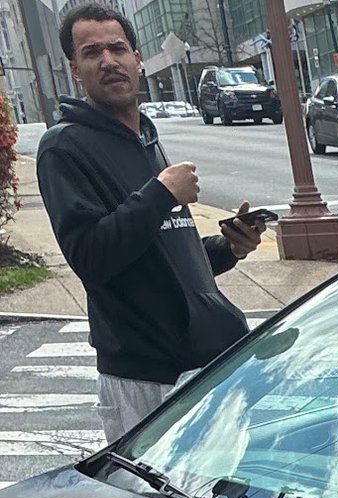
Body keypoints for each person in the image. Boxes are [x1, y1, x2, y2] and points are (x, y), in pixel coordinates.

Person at [36, 4, 265, 443]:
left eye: (117, 48)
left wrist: (229, 246)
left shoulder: (146, 137)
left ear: (137, 59)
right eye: (91, 52)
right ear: (75, 68)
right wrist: (160, 193)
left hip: (209, 362)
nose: (108, 61)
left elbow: (159, 249)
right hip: (147, 377)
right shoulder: (64, 148)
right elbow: (92, 257)